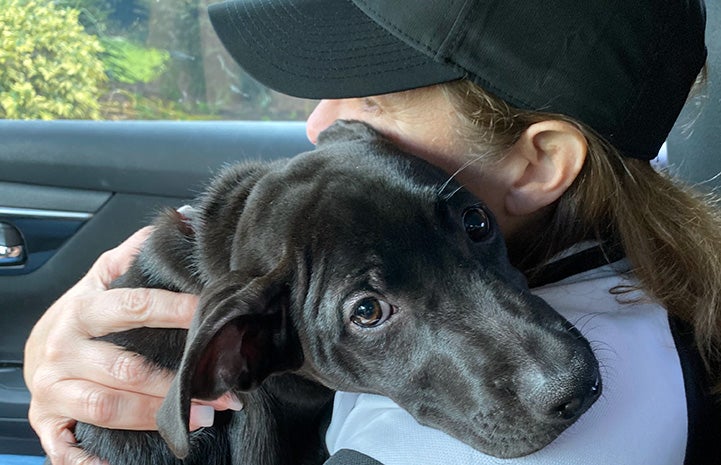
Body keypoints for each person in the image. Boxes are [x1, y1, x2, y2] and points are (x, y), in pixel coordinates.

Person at [23, 0, 721, 464]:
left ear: (537, 161)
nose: (319, 126)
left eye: (368, 98)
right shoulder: (595, 230)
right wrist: (84, 348)